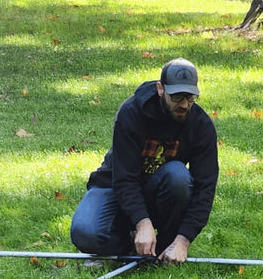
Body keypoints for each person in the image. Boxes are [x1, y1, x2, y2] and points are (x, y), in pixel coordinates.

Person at [70, 58, 218, 264]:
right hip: (114, 184)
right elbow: (124, 178)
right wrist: (142, 223)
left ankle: (167, 246)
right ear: (160, 89)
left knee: (178, 176)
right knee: (85, 233)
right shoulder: (131, 113)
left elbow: (205, 188)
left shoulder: (201, 126)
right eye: (177, 97)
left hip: (159, 189)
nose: (184, 104)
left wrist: (183, 240)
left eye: (190, 97)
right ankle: (129, 242)